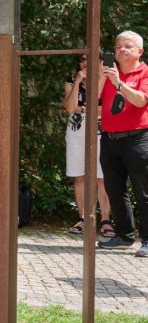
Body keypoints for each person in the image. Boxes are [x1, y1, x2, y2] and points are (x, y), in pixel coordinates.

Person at [96, 30, 148, 258]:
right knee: (115, 190)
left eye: (127, 46)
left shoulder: (145, 72)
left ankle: (147, 240)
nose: (122, 50)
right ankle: (124, 235)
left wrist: (118, 84)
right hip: (110, 139)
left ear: (140, 51)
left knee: (144, 191)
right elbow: (94, 97)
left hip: (138, 139)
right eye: (118, 47)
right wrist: (102, 76)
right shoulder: (108, 72)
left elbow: (139, 100)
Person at [64, 54, 112, 236]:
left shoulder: (108, 77)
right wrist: (77, 81)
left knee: (102, 178)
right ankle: (83, 218)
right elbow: (69, 108)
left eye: (90, 58)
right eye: (82, 59)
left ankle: (105, 221)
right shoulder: (72, 80)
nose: (85, 63)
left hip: (101, 132)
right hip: (76, 132)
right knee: (80, 177)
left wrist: (82, 108)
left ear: (100, 61)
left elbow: (104, 108)